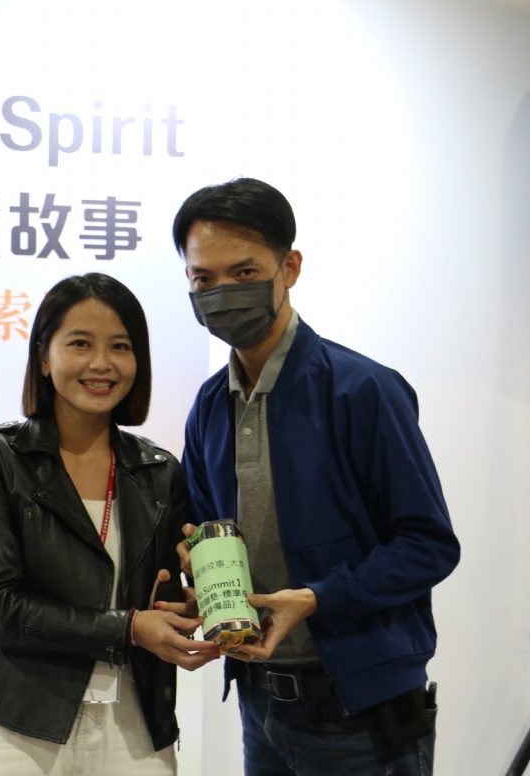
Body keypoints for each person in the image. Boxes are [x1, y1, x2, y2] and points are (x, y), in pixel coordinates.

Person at [166, 178, 461, 776]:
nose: (223, 293)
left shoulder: (363, 390)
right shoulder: (210, 406)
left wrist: (317, 598)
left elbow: (429, 546)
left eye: (244, 273)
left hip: (360, 710)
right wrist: (195, 573)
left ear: (290, 268)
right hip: (259, 702)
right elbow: (205, 533)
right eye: (203, 280)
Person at [0, 272, 220, 775]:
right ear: (43, 357)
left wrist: (189, 604)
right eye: (80, 343)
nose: (101, 363)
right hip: (16, 725)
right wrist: (130, 628)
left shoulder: (159, 471)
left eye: (120, 346)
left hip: (134, 727)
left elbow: (167, 589)